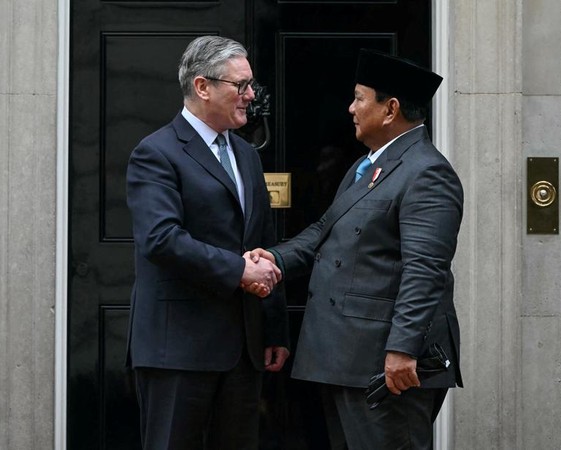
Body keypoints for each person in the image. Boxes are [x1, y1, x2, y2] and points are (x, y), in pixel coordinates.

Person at [249, 49, 464, 449]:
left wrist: (402, 349)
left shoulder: (427, 172)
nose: (351, 108)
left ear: (390, 109)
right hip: (346, 358)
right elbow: (324, 231)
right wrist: (275, 258)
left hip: (385, 366)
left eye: (360, 98)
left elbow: (425, 269)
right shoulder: (367, 166)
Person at [126, 35, 290, 450]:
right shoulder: (156, 153)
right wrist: (238, 270)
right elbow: (161, 239)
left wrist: (273, 328)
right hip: (178, 351)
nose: (251, 96)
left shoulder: (248, 155)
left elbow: (261, 243)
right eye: (241, 86)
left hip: (243, 351)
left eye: (251, 85)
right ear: (203, 87)